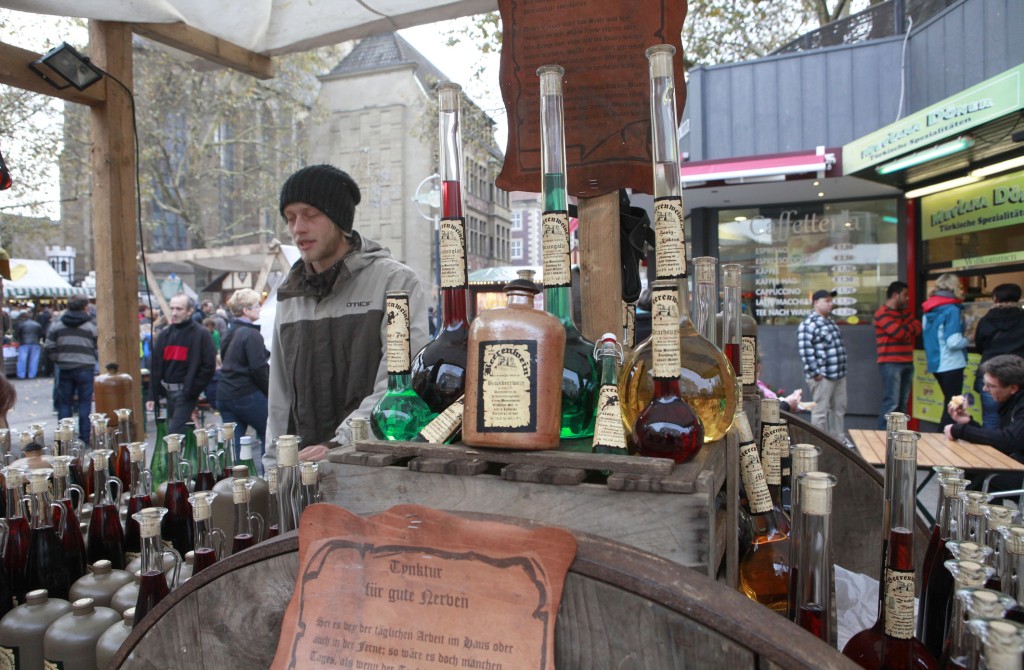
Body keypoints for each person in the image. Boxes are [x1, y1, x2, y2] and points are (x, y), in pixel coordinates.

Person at [266, 164, 428, 470]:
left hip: (376, 468)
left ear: (339, 220)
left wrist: (341, 443)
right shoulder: (289, 295)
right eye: (290, 217)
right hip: (305, 474)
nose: (298, 228)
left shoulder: (395, 283)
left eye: (310, 215)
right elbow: (279, 398)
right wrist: (274, 467)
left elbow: (400, 385)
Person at [944, 354, 1024, 493]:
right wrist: (968, 423)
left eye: (991, 385)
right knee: (973, 470)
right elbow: (1001, 438)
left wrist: (960, 430)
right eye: (985, 383)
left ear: (1013, 388)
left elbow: (1009, 440)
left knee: (978, 477)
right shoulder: (1011, 400)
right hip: (1016, 463)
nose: (985, 389)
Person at [148, 293, 217, 435]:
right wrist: (152, 395)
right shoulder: (164, 335)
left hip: (186, 392)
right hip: (169, 391)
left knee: (174, 434)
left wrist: (192, 390)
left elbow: (209, 366)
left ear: (190, 311)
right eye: (172, 308)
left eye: (179, 309)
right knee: (182, 433)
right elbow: (155, 367)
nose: (174, 313)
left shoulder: (201, 334)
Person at [217, 288, 269, 473]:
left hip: (225, 394)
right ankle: (268, 479)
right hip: (246, 393)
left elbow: (224, 358)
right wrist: (270, 392)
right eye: (257, 306)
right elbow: (258, 368)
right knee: (269, 434)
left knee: (235, 446)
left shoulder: (230, 331)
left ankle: (237, 482)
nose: (260, 309)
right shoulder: (251, 334)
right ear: (246, 310)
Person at [44, 297, 98, 444]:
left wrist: (58, 359)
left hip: (65, 367)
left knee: (64, 403)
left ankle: (65, 438)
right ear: (84, 307)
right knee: (85, 403)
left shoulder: (58, 323)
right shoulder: (91, 324)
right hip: (85, 367)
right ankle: (85, 437)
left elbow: (49, 345)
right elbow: (97, 344)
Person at [797, 289, 848, 438]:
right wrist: (816, 373)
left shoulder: (830, 322)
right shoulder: (809, 324)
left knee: (839, 410)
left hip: (839, 374)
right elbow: (806, 351)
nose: (830, 304)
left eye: (831, 301)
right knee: (820, 411)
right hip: (823, 376)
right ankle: (819, 444)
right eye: (827, 301)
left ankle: (838, 441)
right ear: (815, 302)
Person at [974, 283, 1024, 427]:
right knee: (1018, 420)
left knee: (991, 418)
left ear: (995, 298)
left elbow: (979, 346)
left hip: (991, 374)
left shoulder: (986, 320)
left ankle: (991, 443)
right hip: (1018, 375)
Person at [922, 273, 968, 428]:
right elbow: (953, 342)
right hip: (952, 363)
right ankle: (946, 434)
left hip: (936, 363)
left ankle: (944, 432)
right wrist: (969, 339)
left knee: (949, 402)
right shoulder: (952, 309)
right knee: (954, 405)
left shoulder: (928, 308)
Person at [874, 280, 921, 428]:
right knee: (891, 402)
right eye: (905, 295)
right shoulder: (882, 313)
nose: (907, 298)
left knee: (902, 404)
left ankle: (898, 435)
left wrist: (904, 329)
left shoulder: (905, 313)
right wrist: (907, 329)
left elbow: (918, 327)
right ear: (895, 295)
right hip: (890, 363)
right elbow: (898, 333)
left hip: (907, 361)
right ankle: (882, 435)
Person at [13, 311, 43, 379]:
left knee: (22, 360)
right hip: (35, 343)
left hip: (24, 343)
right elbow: (41, 334)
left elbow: (16, 335)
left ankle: (21, 375)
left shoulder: (21, 324)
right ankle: (32, 375)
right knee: (34, 360)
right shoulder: (37, 324)